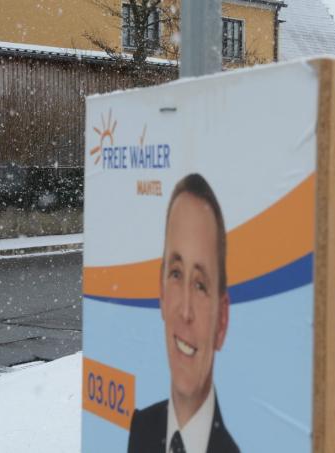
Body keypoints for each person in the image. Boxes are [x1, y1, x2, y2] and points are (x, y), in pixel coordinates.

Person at [128, 173, 239, 453]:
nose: (185, 310)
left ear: (222, 321)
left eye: (201, 285)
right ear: (161, 293)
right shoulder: (141, 428)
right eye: (176, 274)